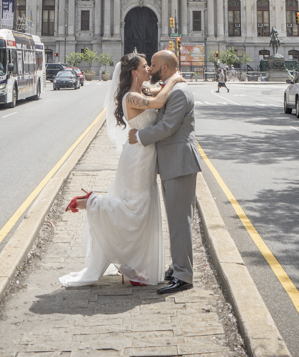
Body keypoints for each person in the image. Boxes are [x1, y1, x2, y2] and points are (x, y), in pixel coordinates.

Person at [60, 51, 184, 289]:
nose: (149, 69)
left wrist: (168, 82)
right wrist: (175, 80)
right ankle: (91, 202)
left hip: (145, 154)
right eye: (146, 66)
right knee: (134, 207)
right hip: (136, 157)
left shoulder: (143, 92)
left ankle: (133, 266)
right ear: (134, 72)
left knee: (143, 209)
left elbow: (158, 95)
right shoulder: (130, 98)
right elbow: (159, 103)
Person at [132, 49, 200, 295]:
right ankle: (179, 266)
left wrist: (138, 136)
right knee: (176, 219)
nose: (149, 68)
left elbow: (168, 127)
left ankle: (184, 276)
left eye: (153, 64)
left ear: (165, 68)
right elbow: (154, 96)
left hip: (180, 162)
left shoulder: (180, 93)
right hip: (173, 163)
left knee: (180, 220)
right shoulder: (171, 88)